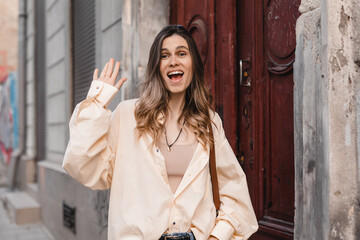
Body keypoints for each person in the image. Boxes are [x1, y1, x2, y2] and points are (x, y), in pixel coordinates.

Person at [63, 25, 258, 240]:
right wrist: (97, 103)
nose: (173, 61)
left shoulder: (209, 122)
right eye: (165, 56)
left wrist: (217, 236)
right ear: (157, 66)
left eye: (182, 53)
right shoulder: (128, 115)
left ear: (193, 63)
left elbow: (233, 187)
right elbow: (83, 166)